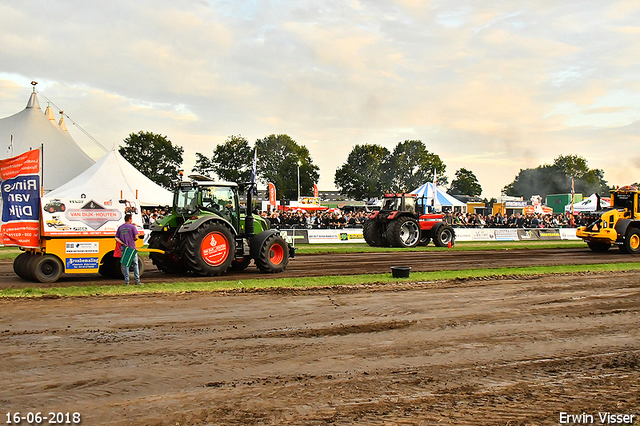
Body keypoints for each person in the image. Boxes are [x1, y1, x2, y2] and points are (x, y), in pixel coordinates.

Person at [115, 213, 142, 285]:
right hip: (132, 248)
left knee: (125, 265)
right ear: (129, 219)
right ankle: (137, 281)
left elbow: (116, 238)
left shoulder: (120, 227)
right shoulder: (132, 227)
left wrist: (122, 243)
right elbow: (136, 237)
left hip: (124, 248)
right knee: (135, 264)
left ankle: (126, 282)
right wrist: (134, 239)